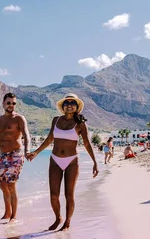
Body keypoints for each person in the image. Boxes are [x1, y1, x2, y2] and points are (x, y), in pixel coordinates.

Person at [28, 93, 98, 231]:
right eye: (67, 103)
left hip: (72, 161)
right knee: (54, 195)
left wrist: (95, 162)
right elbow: (49, 139)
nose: (69, 105)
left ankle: (67, 222)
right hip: (55, 160)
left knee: (68, 194)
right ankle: (58, 218)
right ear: (63, 106)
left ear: (77, 107)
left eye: (72, 103)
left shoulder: (81, 124)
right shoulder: (56, 120)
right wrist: (36, 152)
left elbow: (87, 144)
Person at [0, 92, 31, 222]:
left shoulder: (19, 119)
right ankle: (7, 213)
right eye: (8, 103)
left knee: (11, 184)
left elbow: (26, 135)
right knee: (3, 185)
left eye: (13, 103)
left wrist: (27, 150)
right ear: (3, 104)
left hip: (16, 154)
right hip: (2, 156)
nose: (11, 105)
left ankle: (13, 216)